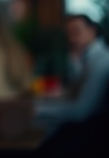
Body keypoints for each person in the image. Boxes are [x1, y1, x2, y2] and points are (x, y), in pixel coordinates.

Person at [33, 14, 109, 157]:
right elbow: (72, 90)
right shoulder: (86, 58)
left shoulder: (101, 61)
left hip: (94, 136)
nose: (71, 38)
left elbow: (81, 110)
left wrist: (36, 110)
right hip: (87, 129)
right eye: (68, 33)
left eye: (76, 31)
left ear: (92, 30)